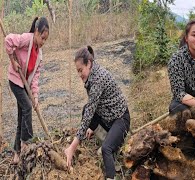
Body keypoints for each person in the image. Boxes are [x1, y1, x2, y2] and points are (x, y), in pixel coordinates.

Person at [64, 46, 130, 180]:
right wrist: (90, 127)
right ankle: (109, 138)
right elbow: (90, 109)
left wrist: (72, 147)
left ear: (89, 63)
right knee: (86, 112)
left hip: (120, 120)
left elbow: (90, 112)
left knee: (106, 149)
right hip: (107, 118)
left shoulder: (98, 78)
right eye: (77, 71)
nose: (79, 74)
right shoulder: (92, 73)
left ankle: (111, 174)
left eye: (80, 70)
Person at [5, 16, 49, 164]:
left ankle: (16, 153)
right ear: (36, 32)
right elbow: (8, 40)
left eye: (45, 40)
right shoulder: (26, 39)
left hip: (24, 85)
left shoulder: (39, 55)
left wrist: (35, 96)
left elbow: (35, 78)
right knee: (27, 108)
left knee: (21, 117)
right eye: (42, 38)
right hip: (15, 81)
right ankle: (25, 142)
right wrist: (12, 60)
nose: (43, 42)